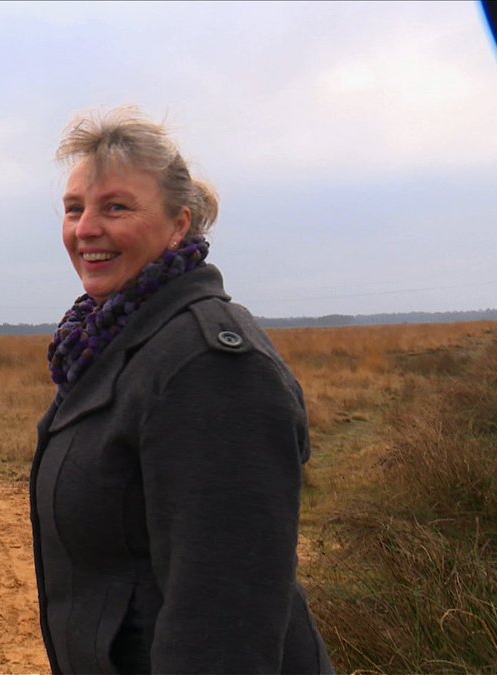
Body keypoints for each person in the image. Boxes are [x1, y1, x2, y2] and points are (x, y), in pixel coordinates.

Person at [30, 106, 335, 674]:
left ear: (179, 225)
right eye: (74, 209)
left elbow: (223, 624)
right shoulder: (107, 343)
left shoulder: (211, 368)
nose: (85, 228)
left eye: (115, 207)